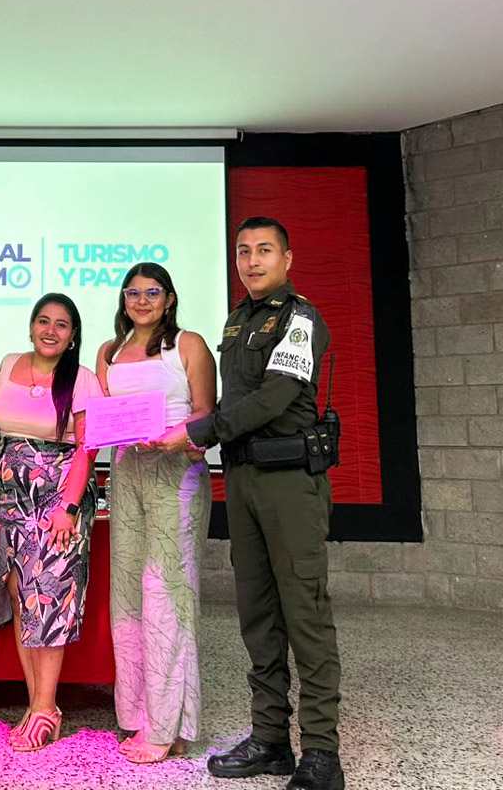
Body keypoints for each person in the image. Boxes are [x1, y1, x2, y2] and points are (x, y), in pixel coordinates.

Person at [154, 217, 344, 790]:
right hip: (241, 479)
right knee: (258, 615)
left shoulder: (302, 320)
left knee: (304, 614)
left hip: (289, 481)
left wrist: (200, 431)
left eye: (264, 250)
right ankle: (270, 739)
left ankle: (321, 754)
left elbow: (278, 396)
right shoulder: (237, 322)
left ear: (288, 257)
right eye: (243, 251)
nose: (252, 260)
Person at [95, 263, 215, 764]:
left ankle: (170, 725)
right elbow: (102, 418)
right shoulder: (108, 352)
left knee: (167, 596)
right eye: (133, 293)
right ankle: (139, 714)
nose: (141, 301)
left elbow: (209, 416)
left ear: (169, 298)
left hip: (176, 471)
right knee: (127, 593)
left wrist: (174, 438)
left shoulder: (189, 344)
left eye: (152, 292)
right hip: (127, 472)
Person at [0, 292, 104, 752]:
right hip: (9, 497)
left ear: (73, 335)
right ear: (31, 325)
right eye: (43, 321)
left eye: (61, 324)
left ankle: (45, 709)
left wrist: (69, 507)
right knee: (20, 595)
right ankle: (36, 702)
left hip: (59, 498)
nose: (50, 330)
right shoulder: (8, 363)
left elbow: (87, 447)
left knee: (50, 599)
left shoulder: (83, 378)